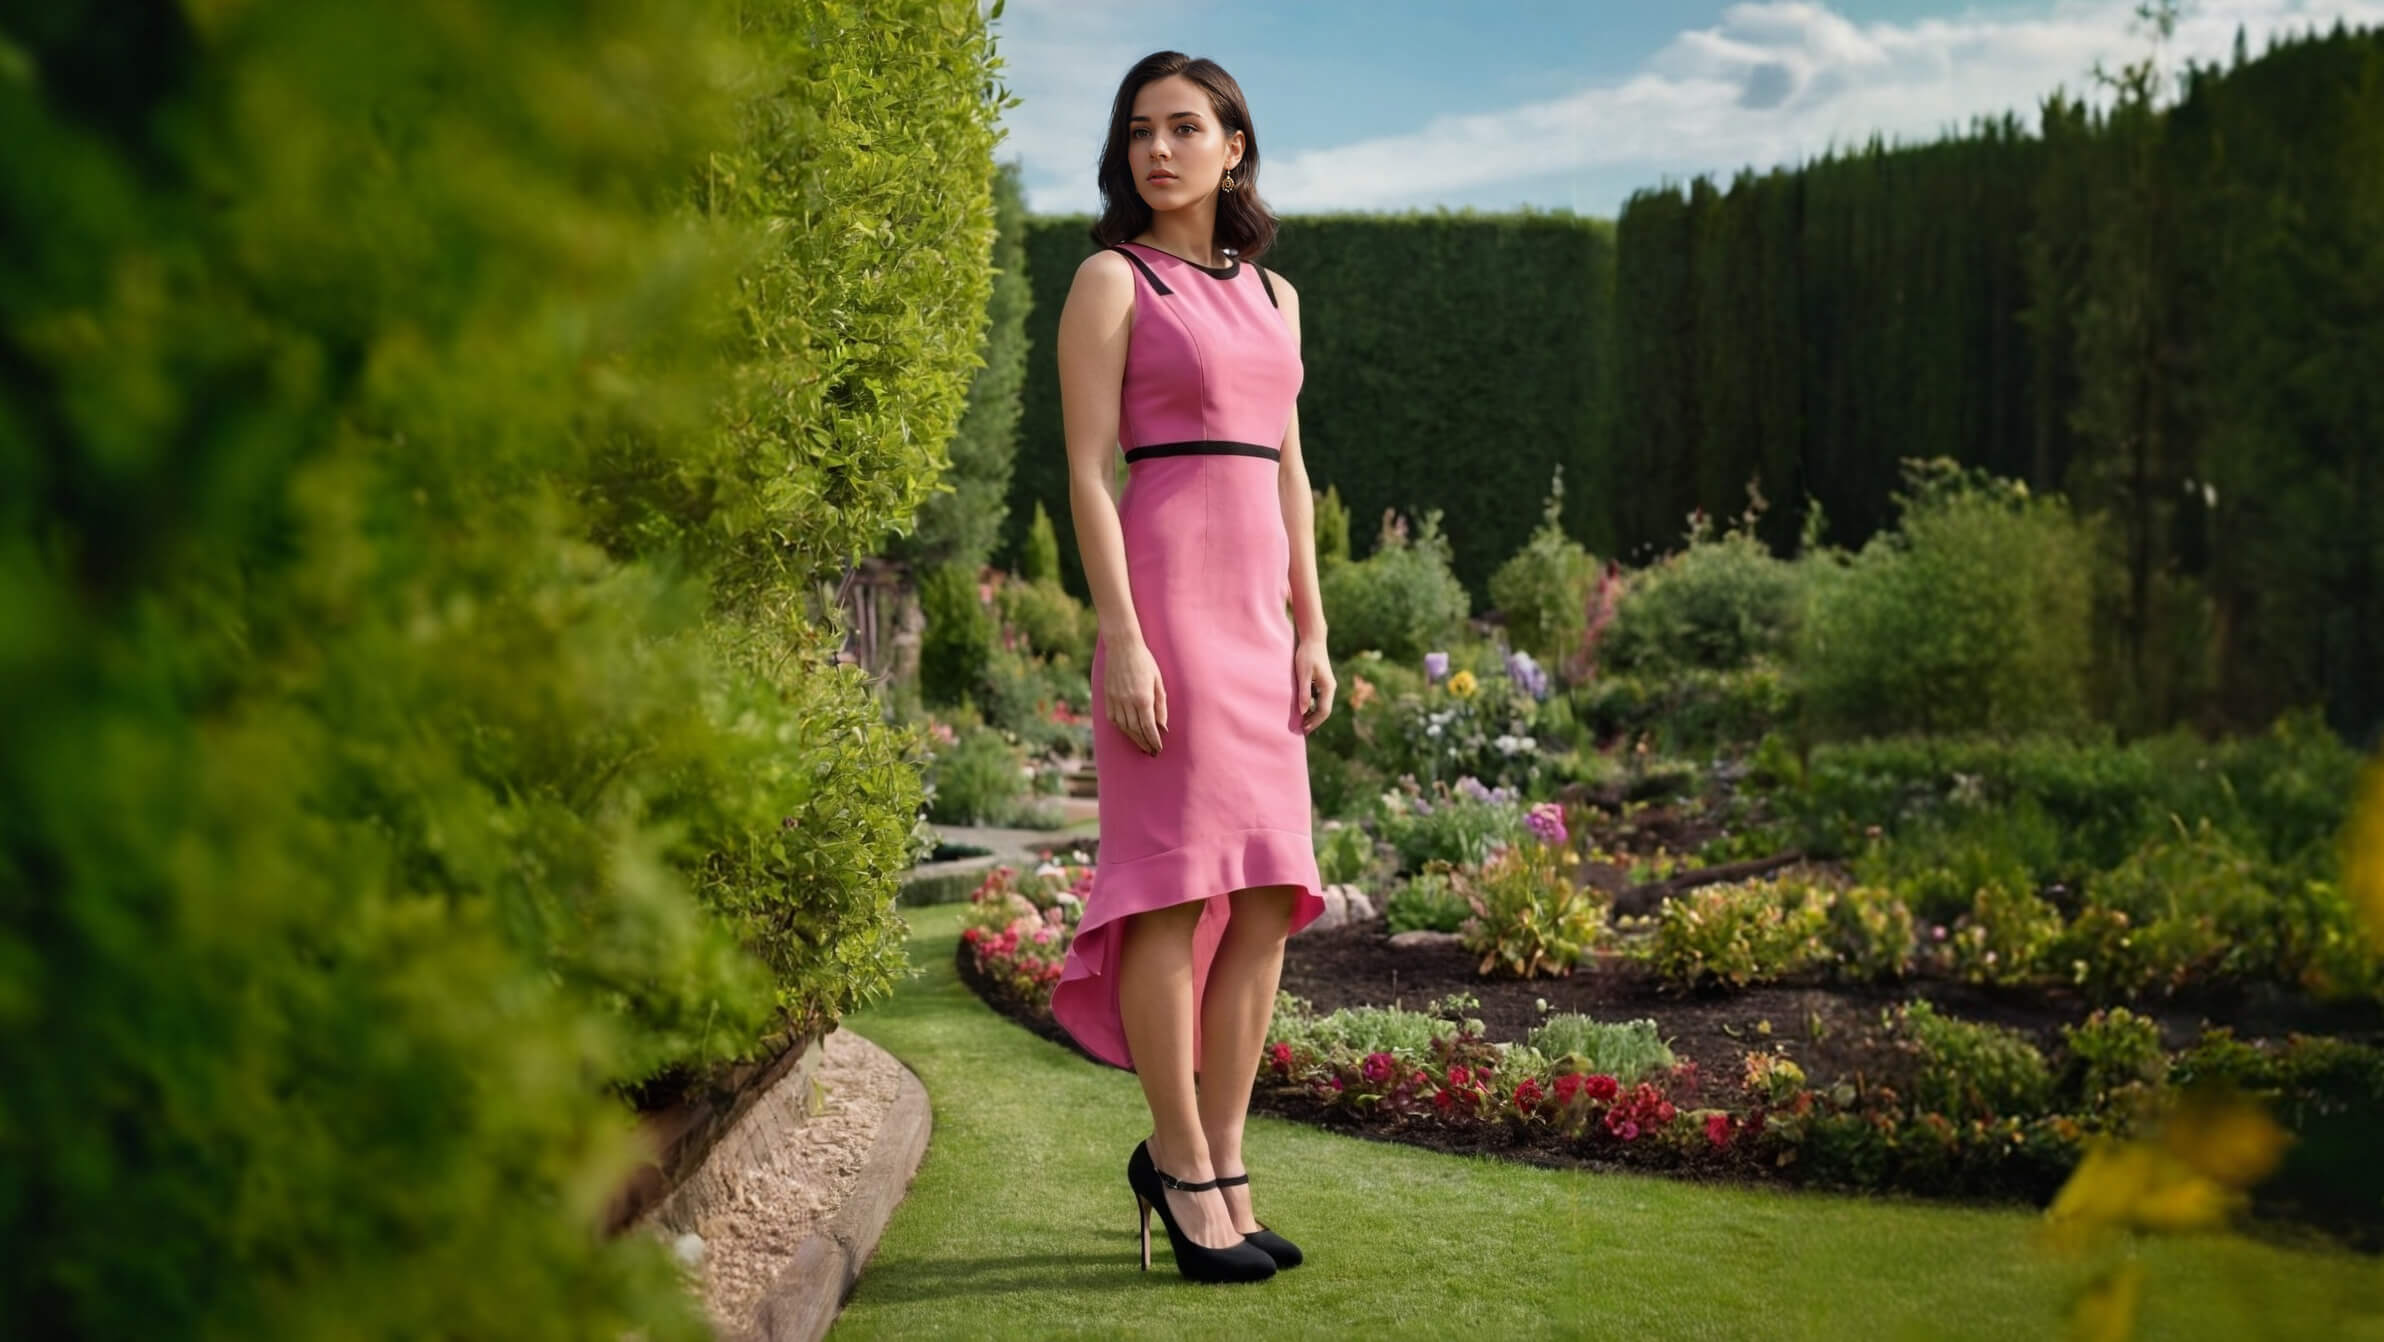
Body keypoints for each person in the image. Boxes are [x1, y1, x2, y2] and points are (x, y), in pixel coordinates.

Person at [1046, 50, 1336, 1284]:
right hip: (1163, 602)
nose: (1155, 150)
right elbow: (1086, 473)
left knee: (1266, 895)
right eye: (1137, 132)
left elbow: (1289, 472)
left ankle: (1225, 1158)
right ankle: (1176, 1163)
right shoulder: (1110, 279)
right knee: (1169, 894)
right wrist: (1119, 633)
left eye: (1182, 128)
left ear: (1233, 147)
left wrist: (1312, 624)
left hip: (1258, 619)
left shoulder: (1275, 298)